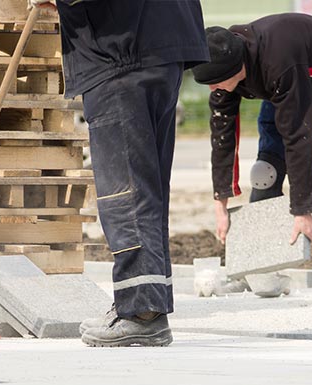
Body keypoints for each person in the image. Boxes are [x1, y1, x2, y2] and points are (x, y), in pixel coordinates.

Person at [29, 0, 209, 346]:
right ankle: (147, 303)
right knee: (147, 191)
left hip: (121, 54)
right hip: (162, 46)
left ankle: (142, 314)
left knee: (125, 194)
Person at [191, 13, 312, 288]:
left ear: (236, 68)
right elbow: (222, 138)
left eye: (215, 82)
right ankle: (257, 266)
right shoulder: (223, 67)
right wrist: (220, 201)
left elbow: (300, 135)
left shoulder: (277, 61)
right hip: (284, 87)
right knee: (265, 173)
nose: (213, 89)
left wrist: (303, 209)